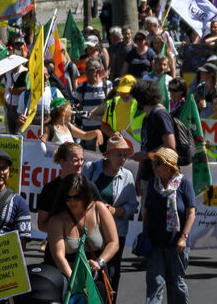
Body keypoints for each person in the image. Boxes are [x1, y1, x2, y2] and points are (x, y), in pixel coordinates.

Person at [83, 133, 137, 296]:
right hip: (91, 231)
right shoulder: (90, 169)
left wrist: (115, 211)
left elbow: (132, 207)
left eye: (125, 155)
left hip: (115, 231)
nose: (123, 158)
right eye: (119, 154)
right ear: (108, 155)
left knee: (112, 273)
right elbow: (78, 195)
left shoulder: (127, 176)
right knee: (88, 271)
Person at [44, 174, 120, 288]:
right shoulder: (57, 219)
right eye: (68, 198)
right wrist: (73, 280)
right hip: (68, 277)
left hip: (96, 278)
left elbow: (114, 242)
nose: (72, 202)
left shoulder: (99, 209)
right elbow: (58, 255)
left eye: (76, 197)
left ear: (85, 195)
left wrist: (100, 262)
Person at [142, 147, 195, 304]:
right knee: (154, 282)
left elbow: (191, 213)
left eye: (157, 163)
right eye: (153, 163)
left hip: (177, 244)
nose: (154, 166)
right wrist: (144, 235)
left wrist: (183, 237)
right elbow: (147, 211)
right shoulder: (152, 184)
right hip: (155, 243)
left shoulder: (184, 183)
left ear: (169, 165)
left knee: (176, 284)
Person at [36, 142, 102, 234]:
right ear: (62, 162)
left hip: (84, 245)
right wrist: (64, 231)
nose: (80, 164)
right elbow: (41, 224)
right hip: (56, 244)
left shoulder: (90, 186)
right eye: (75, 160)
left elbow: (101, 218)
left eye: (82, 159)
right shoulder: (50, 189)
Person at [131, 79, 176, 190]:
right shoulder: (147, 118)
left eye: (136, 98)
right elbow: (145, 148)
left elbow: (170, 144)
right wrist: (139, 177)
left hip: (162, 178)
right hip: (148, 177)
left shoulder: (159, 114)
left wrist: (145, 156)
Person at [75, 60, 111, 150]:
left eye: (89, 69)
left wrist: (98, 109)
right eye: (85, 69)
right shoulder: (81, 87)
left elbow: (112, 104)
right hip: (88, 132)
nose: (86, 72)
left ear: (98, 71)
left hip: (104, 131)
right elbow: (72, 101)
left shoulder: (107, 85)